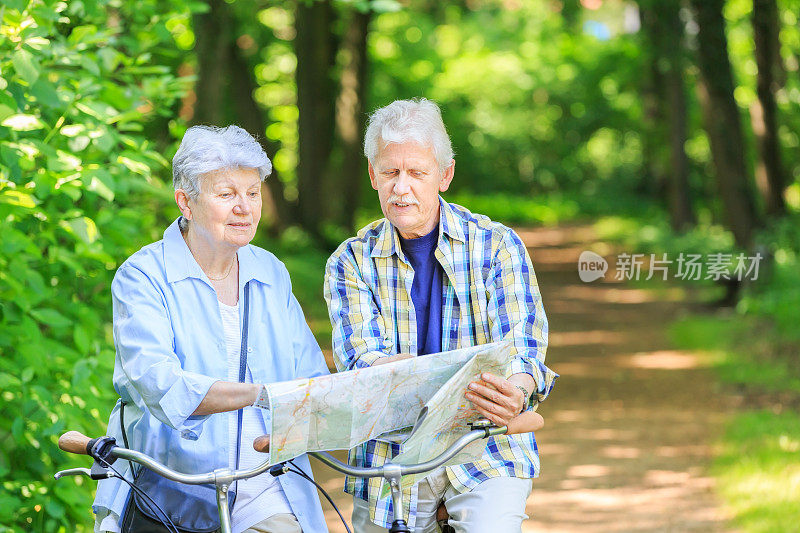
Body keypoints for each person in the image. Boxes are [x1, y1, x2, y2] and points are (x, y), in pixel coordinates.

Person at [324, 99, 558, 532]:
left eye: (417, 173)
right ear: (373, 175)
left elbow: (525, 351)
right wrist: (462, 379)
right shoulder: (349, 262)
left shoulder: (497, 245)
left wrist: (517, 391)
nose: (401, 188)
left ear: (444, 175)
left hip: (485, 444)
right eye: (391, 173)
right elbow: (363, 367)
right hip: (391, 452)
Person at [93, 125, 328, 533]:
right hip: (168, 489)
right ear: (185, 202)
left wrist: (373, 383)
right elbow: (159, 384)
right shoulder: (142, 276)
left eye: (253, 193)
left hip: (262, 485)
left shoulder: (271, 272)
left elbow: (311, 380)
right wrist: (262, 396)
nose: (245, 207)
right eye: (226, 195)